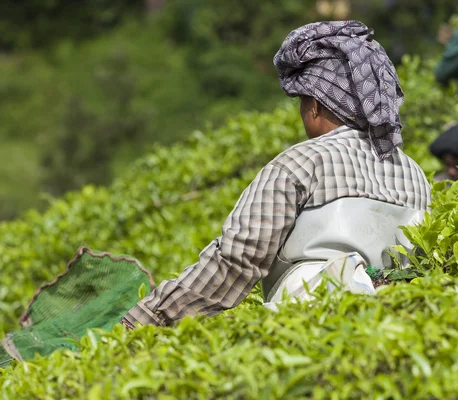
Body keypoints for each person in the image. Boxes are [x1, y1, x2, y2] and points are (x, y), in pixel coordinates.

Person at [120, 21, 431, 329]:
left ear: (315, 106)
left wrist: (145, 319)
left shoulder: (301, 163)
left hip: (307, 322)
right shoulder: (416, 176)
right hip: (394, 325)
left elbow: (234, 263)